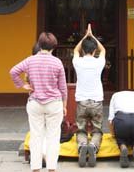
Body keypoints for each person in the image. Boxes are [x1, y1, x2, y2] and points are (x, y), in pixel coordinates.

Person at [10, 31, 67, 172]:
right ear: (54, 46)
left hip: (35, 103)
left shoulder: (30, 60)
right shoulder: (57, 62)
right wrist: (64, 105)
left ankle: (35, 168)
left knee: (36, 136)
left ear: (39, 45)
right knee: (53, 137)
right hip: (54, 103)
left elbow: (13, 71)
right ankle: (51, 168)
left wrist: (23, 85)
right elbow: (63, 88)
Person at [72, 24, 106, 167]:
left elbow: (75, 50)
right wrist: (92, 36)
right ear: (94, 51)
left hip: (82, 101)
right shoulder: (99, 62)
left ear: (83, 50)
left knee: (81, 128)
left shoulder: (78, 62)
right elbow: (103, 50)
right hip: (96, 101)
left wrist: (85, 37)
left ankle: (82, 146)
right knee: (97, 129)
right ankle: (93, 146)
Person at [107, 90, 134, 169]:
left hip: (121, 120)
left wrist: (114, 134)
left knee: (120, 137)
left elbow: (110, 121)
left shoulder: (114, 96)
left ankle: (123, 147)